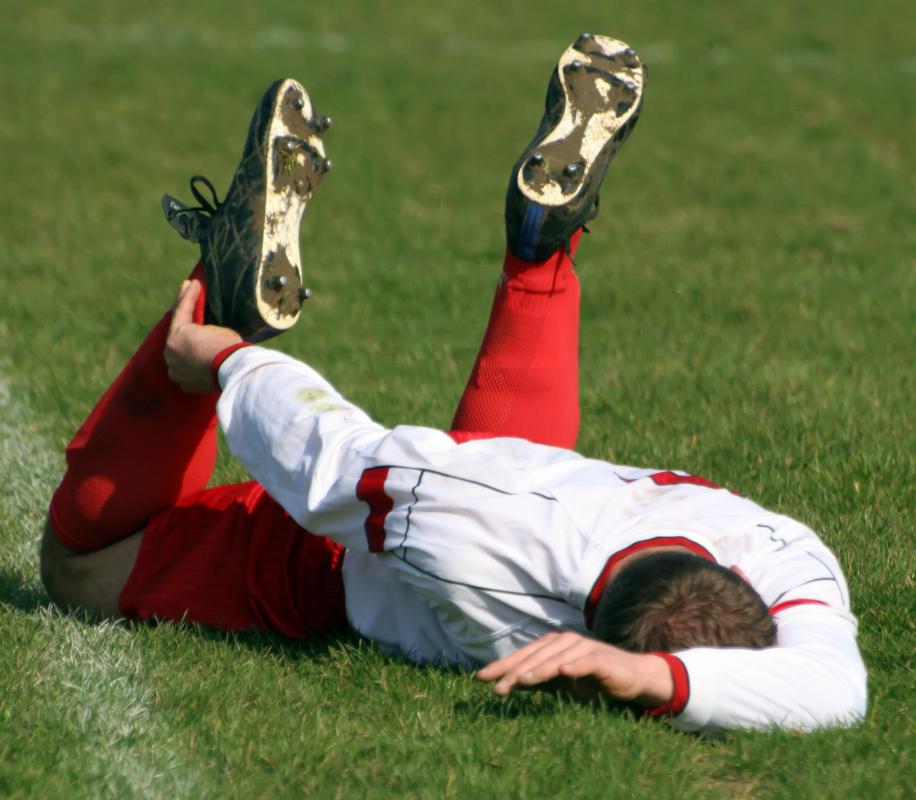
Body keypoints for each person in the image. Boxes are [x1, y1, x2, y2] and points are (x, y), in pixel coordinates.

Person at [40, 35, 866, 735]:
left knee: (498, 468)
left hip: (521, 478)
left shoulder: (785, 554)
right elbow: (336, 461)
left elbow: (838, 690)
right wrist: (223, 362)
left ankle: (542, 254)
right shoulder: (480, 547)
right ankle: (217, 287)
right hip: (362, 549)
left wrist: (654, 676)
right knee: (77, 569)